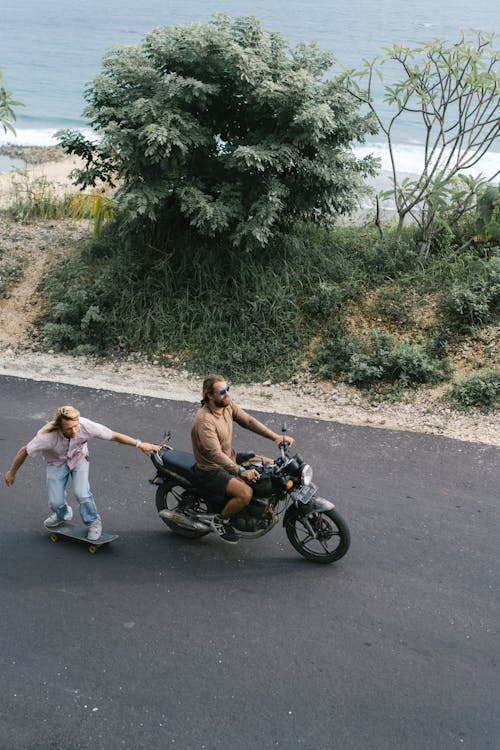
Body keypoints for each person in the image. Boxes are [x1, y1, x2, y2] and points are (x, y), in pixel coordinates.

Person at [4, 405, 160, 541]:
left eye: (75, 426)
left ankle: (93, 522)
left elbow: (114, 435)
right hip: (56, 463)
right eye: (68, 428)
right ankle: (62, 514)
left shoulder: (86, 426)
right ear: (59, 427)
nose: (74, 431)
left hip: (79, 457)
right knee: (55, 502)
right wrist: (12, 472)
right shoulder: (46, 436)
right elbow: (24, 450)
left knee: (82, 493)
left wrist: (140, 444)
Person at [191, 374, 294, 544]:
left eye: (228, 389)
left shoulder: (226, 405)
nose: (227, 394)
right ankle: (220, 520)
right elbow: (215, 454)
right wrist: (241, 471)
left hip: (229, 458)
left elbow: (248, 421)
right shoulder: (205, 421)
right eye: (223, 391)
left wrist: (275, 437)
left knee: (272, 465)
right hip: (211, 470)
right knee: (246, 493)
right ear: (209, 395)